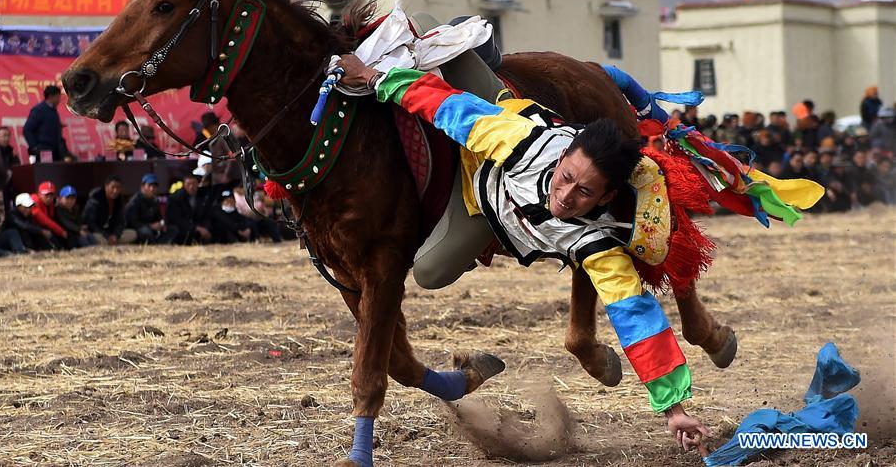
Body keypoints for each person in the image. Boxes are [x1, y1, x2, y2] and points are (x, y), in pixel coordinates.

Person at [337, 53, 823, 452]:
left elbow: (637, 317)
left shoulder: (599, 244)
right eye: (566, 177)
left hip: (490, 218)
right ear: (562, 155)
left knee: (427, 271)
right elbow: (442, 104)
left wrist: (675, 409)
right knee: (443, 34)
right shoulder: (517, 140)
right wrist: (373, 76)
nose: (566, 197)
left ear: (606, 199)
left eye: (584, 194)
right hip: (477, 174)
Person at [82, 175, 137, 245]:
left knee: (133, 233)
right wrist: (107, 236)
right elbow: (92, 224)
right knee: (96, 238)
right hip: (97, 232)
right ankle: (110, 242)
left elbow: (121, 222)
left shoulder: (119, 199)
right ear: (106, 186)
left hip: (110, 232)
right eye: (113, 187)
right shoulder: (95, 199)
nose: (115, 191)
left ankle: (113, 241)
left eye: (118, 188)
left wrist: (115, 235)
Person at [124, 174, 178, 244]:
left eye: (154, 186)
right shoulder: (135, 201)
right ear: (142, 187)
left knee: (173, 229)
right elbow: (132, 223)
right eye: (149, 186)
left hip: (153, 229)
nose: (152, 189)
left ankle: (159, 245)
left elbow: (159, 218)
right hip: (138, 230)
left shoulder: (155, 201)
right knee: (146, 231)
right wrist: (150, 226)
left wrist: (162, 225)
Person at [165, 173, 212, 244]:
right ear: (184, 185)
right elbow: (177, 219)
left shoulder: (203, 196)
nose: (191, 187)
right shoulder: (175, 198)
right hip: (182, 228)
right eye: (188, 184)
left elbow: (206, 215)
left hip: (198, 226)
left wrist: (206, 228)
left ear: (197, 184)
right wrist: (196, 228)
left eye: (194, 184)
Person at [22, 85, 66, 162]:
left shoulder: (53, 110)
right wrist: (35, 147)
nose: (59, 100)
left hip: (55, 150)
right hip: (44, 151)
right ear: (50, 96)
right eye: (58, 97)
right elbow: (27, 129)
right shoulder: (39, 110)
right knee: (46, 172)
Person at [30, 181, 68, 248]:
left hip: (43, 229)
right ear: (39, 194)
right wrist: (61, 231)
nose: (49, 198)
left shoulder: (51, 205)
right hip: (34, 231)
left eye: (51, 195)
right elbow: (44, 220)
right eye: (46, 195)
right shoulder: (34, 201)